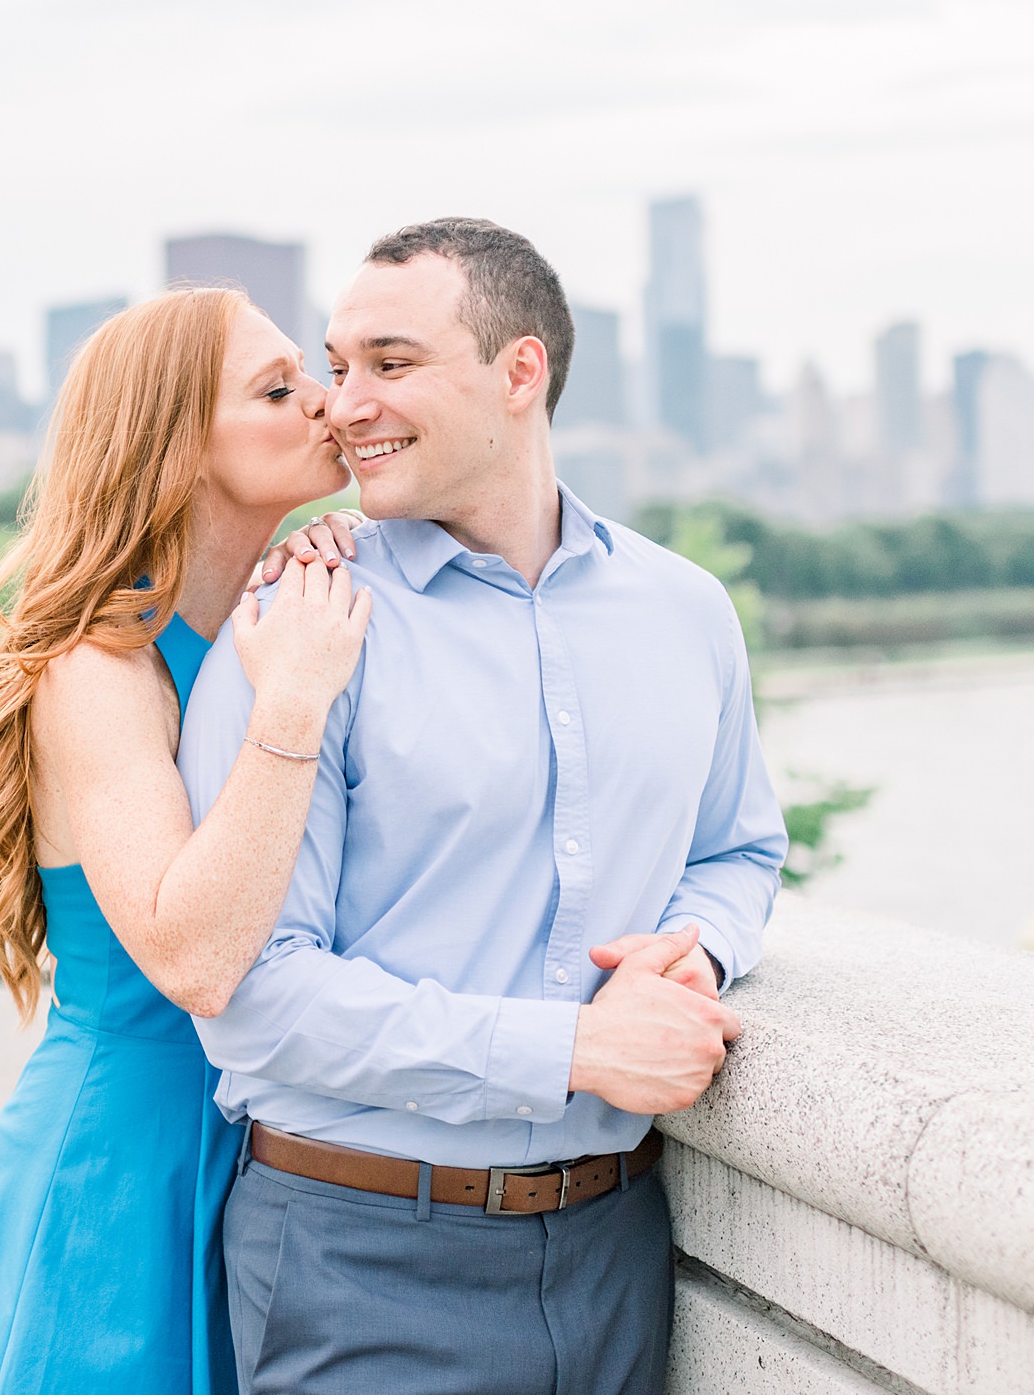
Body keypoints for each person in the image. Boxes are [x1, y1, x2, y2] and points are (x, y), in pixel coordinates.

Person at [177, 219, 787, 1395]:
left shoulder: (686, 610)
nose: (345, 404)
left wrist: (697, 951)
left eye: (390, 364)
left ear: (521, 372)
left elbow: (741, 849)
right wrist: (578, 1047)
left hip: (617, 1249)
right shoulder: (302, 621)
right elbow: (252, 997)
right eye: (336, 366)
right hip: (357, 1255)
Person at [0, 287, 372, 1395]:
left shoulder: (265, 620)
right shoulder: (96, 669)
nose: (326, 401)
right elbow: (193, 957)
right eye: (276, 388)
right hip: (124, 1164)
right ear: (175, 444)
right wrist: (292, 705)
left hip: (264, 1157)